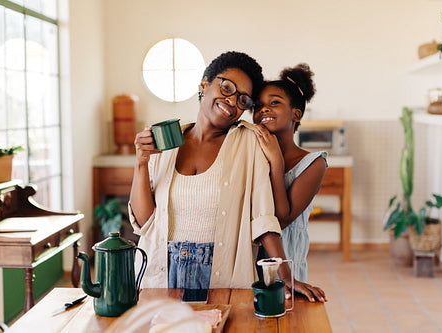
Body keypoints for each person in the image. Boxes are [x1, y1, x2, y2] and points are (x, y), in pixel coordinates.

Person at [129, 51, 325, 302]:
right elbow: (146, 223)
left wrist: (285, 275)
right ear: (204, 85)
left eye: (243, 99)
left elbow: (264, 217)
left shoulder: (249, 141)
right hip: (159, 274)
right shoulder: (166, 140)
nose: (233, 100)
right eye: (226, 88)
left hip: (219, 277)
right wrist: (141, 161)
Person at [252, 63, 327, 283]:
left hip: (286, 264)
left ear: (296, 113)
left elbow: (282, 219)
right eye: (258, 106)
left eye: (274, 102)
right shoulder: (252, 154)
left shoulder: (313, 163)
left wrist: (276, 160)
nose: (264, 109)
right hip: (251, 259)